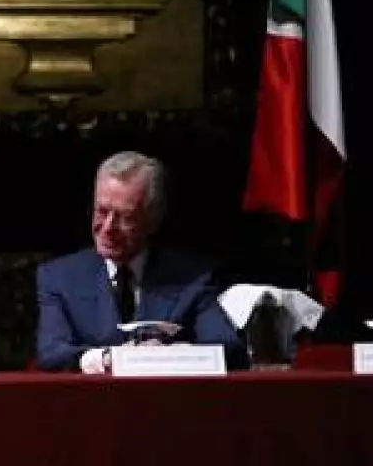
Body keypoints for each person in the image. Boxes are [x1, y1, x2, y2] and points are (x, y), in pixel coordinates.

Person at [36, 150, 245, 372]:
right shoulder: (59, 277)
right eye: (101, 212)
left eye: (125, 218)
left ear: (153, 221)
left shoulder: (191, 278)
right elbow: (51, 353)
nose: (108, 228)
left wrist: (173, 354)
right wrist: (111, 358)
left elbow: (228, 349)